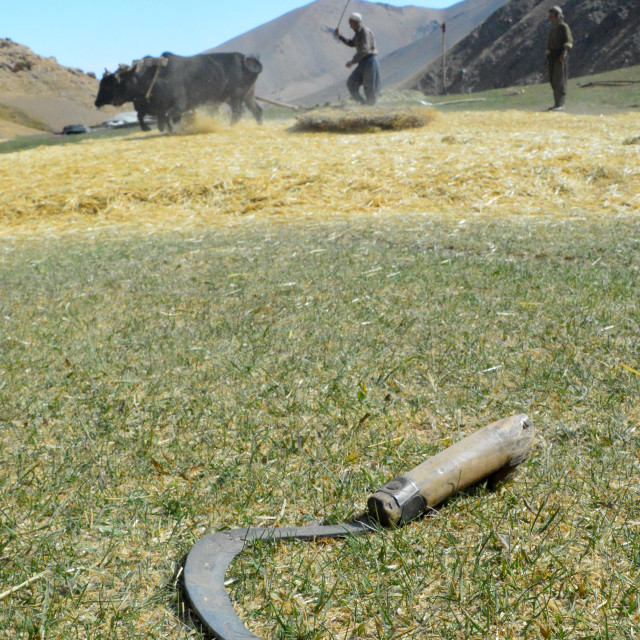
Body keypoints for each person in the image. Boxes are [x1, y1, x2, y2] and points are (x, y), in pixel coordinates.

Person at [334, 13, 380, 106]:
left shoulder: (364, 32)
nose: (349, 25)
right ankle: (363, 104)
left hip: (370, 61)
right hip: (363, 62)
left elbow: (364, 50)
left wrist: (352, 61)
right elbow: (352, 43)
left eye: (350, 23)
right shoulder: (359, 33)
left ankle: (371, 108)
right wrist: (340, 37)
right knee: (351, 83)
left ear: (356, 23)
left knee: (369, 88)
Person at [543, 6, 573, 111]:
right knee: (553, 80)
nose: (550, 19)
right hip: (552, 57)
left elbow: (569, 41)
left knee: (559, 80)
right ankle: (556, 104)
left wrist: (564, 53)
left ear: (558, 16)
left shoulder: (564, 27)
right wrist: (546, 58)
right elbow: (549, 45)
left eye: (552, 16)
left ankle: (560, 104)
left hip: (560, 56)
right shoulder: (552, 29)